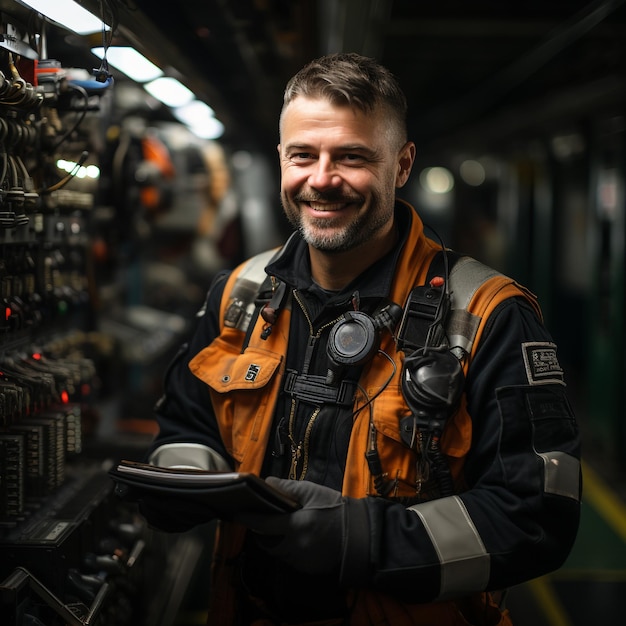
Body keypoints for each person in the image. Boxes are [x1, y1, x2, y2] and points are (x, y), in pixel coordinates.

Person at [138, 52, 581, 626]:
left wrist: (368, 540)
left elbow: (536, 519)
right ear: (281, 160)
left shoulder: (486, 317)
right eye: (303, 155)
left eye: (351, 157)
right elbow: (187, 425)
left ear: (402, 164)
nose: (321, 179)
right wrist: (184, 480)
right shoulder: (240, 296)